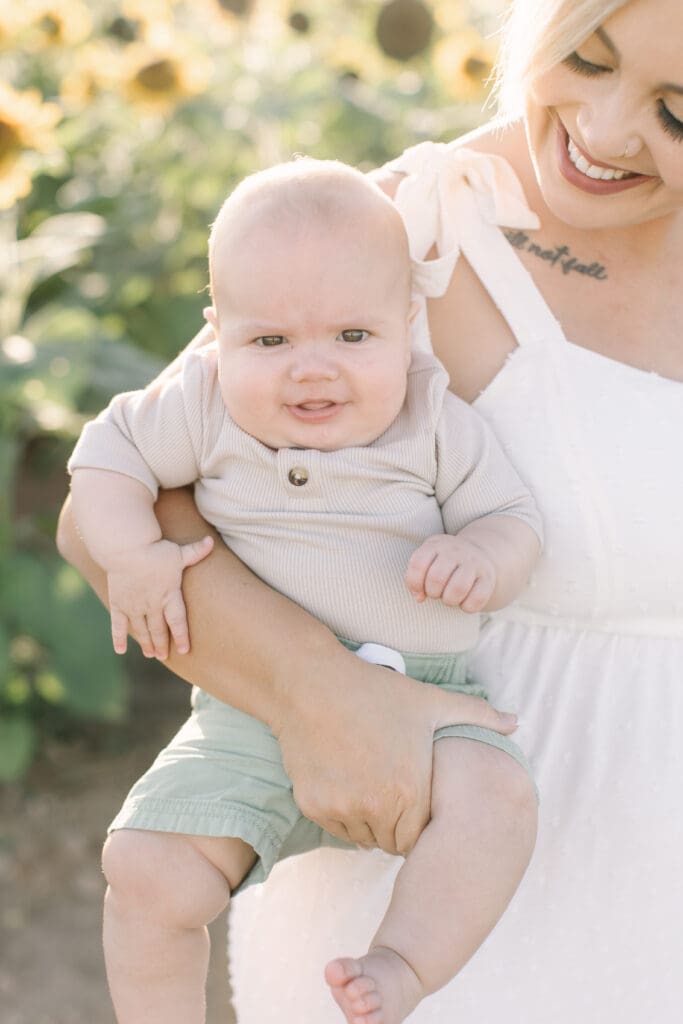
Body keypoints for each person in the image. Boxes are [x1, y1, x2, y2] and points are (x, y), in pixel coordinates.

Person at [55, 0, 683, 1019]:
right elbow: (119, 493)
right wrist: (319, 696)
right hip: (425, 890)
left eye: (675, 112)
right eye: (584, 59)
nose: (604, 133)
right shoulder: (403, 231)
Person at [65, 158, 541, 1024]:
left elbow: (513, 518)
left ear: (406, 326)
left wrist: (480, 554)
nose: (310, 370)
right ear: (218, 333)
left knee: (497, 797)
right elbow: (106, 456)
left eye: (352, 338)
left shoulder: (433, 422)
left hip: (423, 703)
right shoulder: (205, 402)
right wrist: (132, 551)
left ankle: (400, 964)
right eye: (270, 342)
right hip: (249, 712)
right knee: (141, 868)